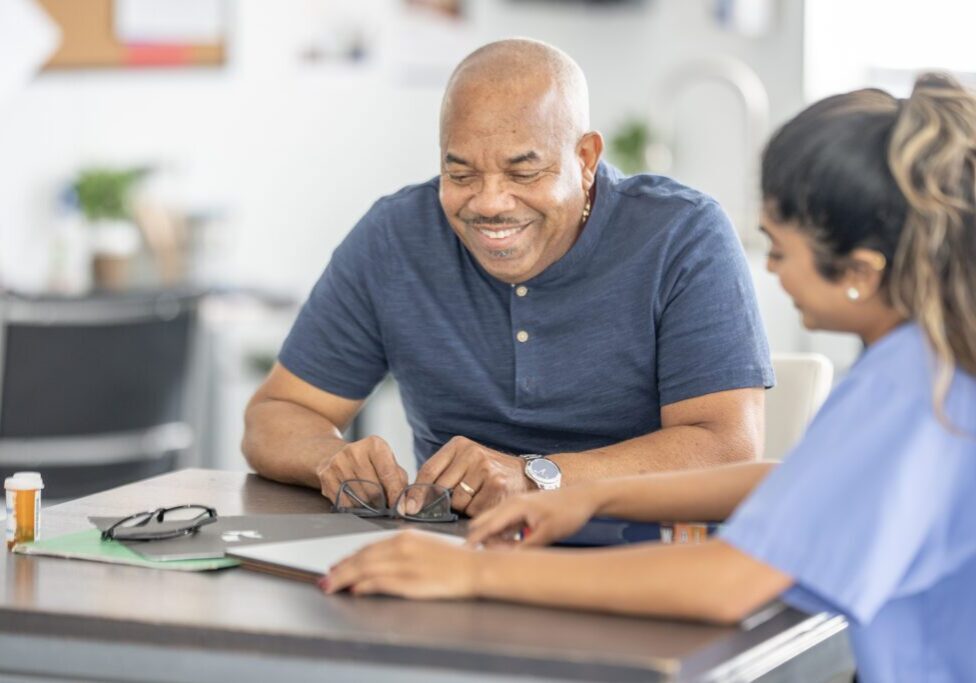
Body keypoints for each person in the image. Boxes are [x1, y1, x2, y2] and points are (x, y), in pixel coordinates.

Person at [323, 73, 976, 682]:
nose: (770, 270)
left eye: (779, 249)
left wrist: (473, 572)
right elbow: (811, 484)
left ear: (860, 271)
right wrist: (593, 496)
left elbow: (727, 582)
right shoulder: (932, 364)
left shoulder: (918, 388)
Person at [243, 38, 772, 516]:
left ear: (585, 159)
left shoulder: (681, 234)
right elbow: (277, 412)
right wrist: (330, 459)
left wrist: (534, 477)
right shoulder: (395, 236)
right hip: (454, 555)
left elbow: (727, 445)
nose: (490, 203)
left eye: (523, 172)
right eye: (461, 173)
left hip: (638, 551)